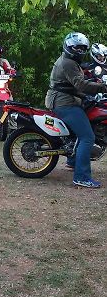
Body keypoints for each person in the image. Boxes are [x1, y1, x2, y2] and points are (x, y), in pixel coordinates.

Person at [45, 32, 107, 188]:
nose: (80, 51)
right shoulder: (68, 63)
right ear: (68, 47)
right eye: (77, 48)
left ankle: (72, 161)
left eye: (82, 48)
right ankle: (82, 177)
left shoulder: (71, 61)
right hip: (64, 103)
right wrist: (103, 87)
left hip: (67, 99)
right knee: (87, 137)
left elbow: (78, 82)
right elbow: (81, 85)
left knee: (83, 128)